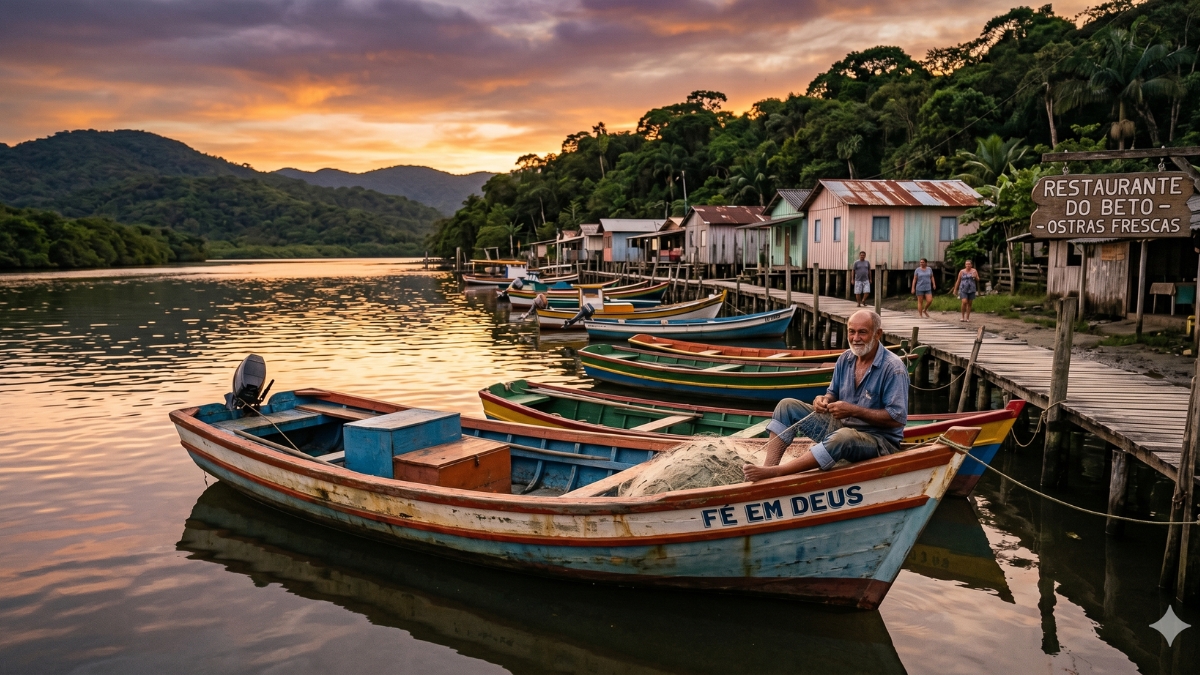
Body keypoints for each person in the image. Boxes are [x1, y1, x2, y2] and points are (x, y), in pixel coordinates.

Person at [743, 309, 908, 482]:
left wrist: (853, 411)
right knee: (786, 405)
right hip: (842, 429)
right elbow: (832, 393)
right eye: (852, 332)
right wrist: (822, 400)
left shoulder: (893, 368)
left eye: (863, 332)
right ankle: (769, 468)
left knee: (843, 436)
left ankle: (779, 472)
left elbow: (897, 419)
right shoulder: (846, 359)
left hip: (878, 442)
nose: (856, 338)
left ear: (877, 334)